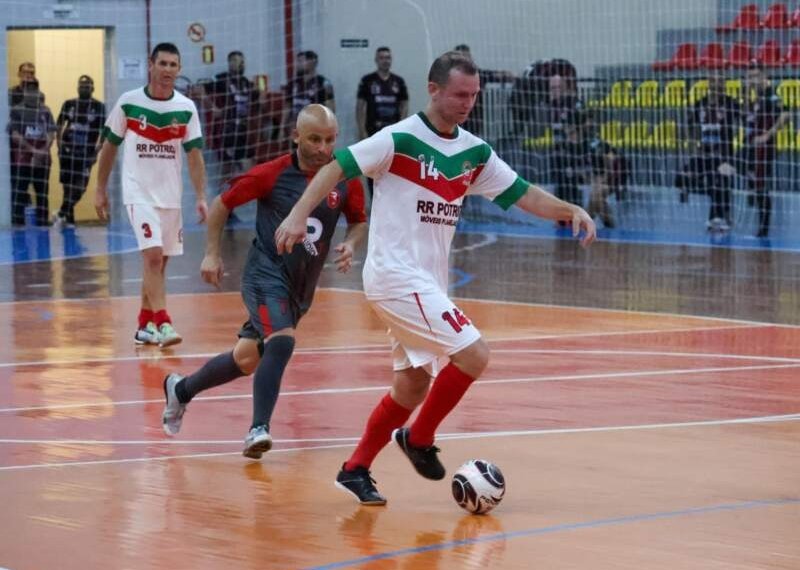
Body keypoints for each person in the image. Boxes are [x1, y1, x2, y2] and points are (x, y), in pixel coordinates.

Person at [275, 51, 596, 505]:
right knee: (474, 355)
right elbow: (335, 167)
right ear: (434, 89)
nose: (468, 103)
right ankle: (419, 437)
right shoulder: (398, 139)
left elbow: (522, 193)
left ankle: (355, 469)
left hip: (427, 283)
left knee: (411, 386)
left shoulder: (473, 152)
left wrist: (570, 210)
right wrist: (295, 215)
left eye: (474, 95)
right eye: (460, 94)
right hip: (394, 276)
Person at [160, 104, 367, 457]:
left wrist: (350, 242)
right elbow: (221, 205)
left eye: (330, 140)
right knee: (282, 341)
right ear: (295, 136)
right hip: (264, 274)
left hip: (301, 286)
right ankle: (258, 429)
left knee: (247, 358)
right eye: (314, 139)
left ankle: (180, 390)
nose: (322, 148)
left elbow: (359, 219)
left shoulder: (344, 179)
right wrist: (212, 252)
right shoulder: (271, 174)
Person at [94, 42, 208, 347]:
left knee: (158, 264)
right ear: (150, 65)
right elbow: (108, 149)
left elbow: (195, 156)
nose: (168, 70)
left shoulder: (185, 108)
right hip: (138, 192)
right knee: (153, 257)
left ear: (179, 69)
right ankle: (164, 323)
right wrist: (100, 189)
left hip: (170, 197)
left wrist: (200, 196)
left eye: (174, 65)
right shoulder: (128, 103)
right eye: (163, 64)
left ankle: (144, 325)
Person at [742, 62, 790, 238]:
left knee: (762, 187)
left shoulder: (771, 95)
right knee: (746, 175)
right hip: (751, 147)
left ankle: (763, 228)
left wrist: (768, 135)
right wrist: (747, 91)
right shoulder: (756, 99)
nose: (752, 80)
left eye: (755, 76)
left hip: (764, 149)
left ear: (764, 76)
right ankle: (751, 193)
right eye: (749, 77)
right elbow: (745, 114)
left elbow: (786, 114)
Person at [688, 73, 741, 232]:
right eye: (713, 81)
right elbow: (691, 125)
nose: (717, 85)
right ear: (709, 84)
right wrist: (694, 145)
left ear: (724, 84)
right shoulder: (700, 103)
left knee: (722, 183)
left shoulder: (731, 103)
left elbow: (743, 120)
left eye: (720, 81)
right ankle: (719, 217)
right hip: (705, 153)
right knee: (709, 183)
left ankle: (718, 218)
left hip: (725, 153)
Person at [53, 75, 106, 227]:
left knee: (80, 187)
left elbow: (105, 130)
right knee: (67, 187)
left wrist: (97, 150)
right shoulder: (69, 104)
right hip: (68, 152)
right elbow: (59, 124)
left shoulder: (99, 107)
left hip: (86, 155)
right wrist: (59, 143)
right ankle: (69, 221)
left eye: (87, 86)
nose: (84, 88)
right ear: (77, 88)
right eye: (82, 86)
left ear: (93, 88)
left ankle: (61, 213)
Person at [8, 80, 56, 226]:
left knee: (42, 193)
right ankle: (18, 224)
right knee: (20, 193)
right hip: (22, 161)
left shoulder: (45, 111)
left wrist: (42, 151)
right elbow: (15, 135)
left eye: (34, 90)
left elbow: (51, 133)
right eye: (29, 90)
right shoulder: (16, 110)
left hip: (42, 160)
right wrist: (32, 150)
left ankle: (42, 221)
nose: (32, 93)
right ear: (24, 92)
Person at [211, 51, 259, 190]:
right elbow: (200, 89)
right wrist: (214, 109)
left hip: (243, 129)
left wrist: (259, 92)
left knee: (229, 167)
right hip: (229, 129)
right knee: (240, 165)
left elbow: (256, 101)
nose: (241, 64)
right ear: (231, 62)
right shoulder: (221, 79)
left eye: (242, 61)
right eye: (238, 60)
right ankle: (222, 198)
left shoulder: (246, 83)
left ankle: (222, 199)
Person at [452, 44, 514, 137]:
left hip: (475, 123)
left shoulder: (478, 75)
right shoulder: (450, 79)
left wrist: (505, 75)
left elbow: (495, 75)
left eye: (467, 57)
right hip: (456, 123)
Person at [356, 46, 409, 140]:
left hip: (393, 131)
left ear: (391, 60)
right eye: (381, 58)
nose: (385, 61)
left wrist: (402, 129)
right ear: (376, 60)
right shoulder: (367, 80)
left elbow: (404, 106)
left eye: (388, 58)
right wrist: (362, 131)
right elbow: (360, 107)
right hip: (372, 131)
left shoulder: (399, 81)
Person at [281, 50, 335, 137]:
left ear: (313, 62)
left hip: (316, 129)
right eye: (297, 61)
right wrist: (282, 128)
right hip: (296, 129)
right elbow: (287, 106)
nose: (298, 64)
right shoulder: (293, 83)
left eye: (301, 61)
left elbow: (331, 107)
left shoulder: (324, 83)